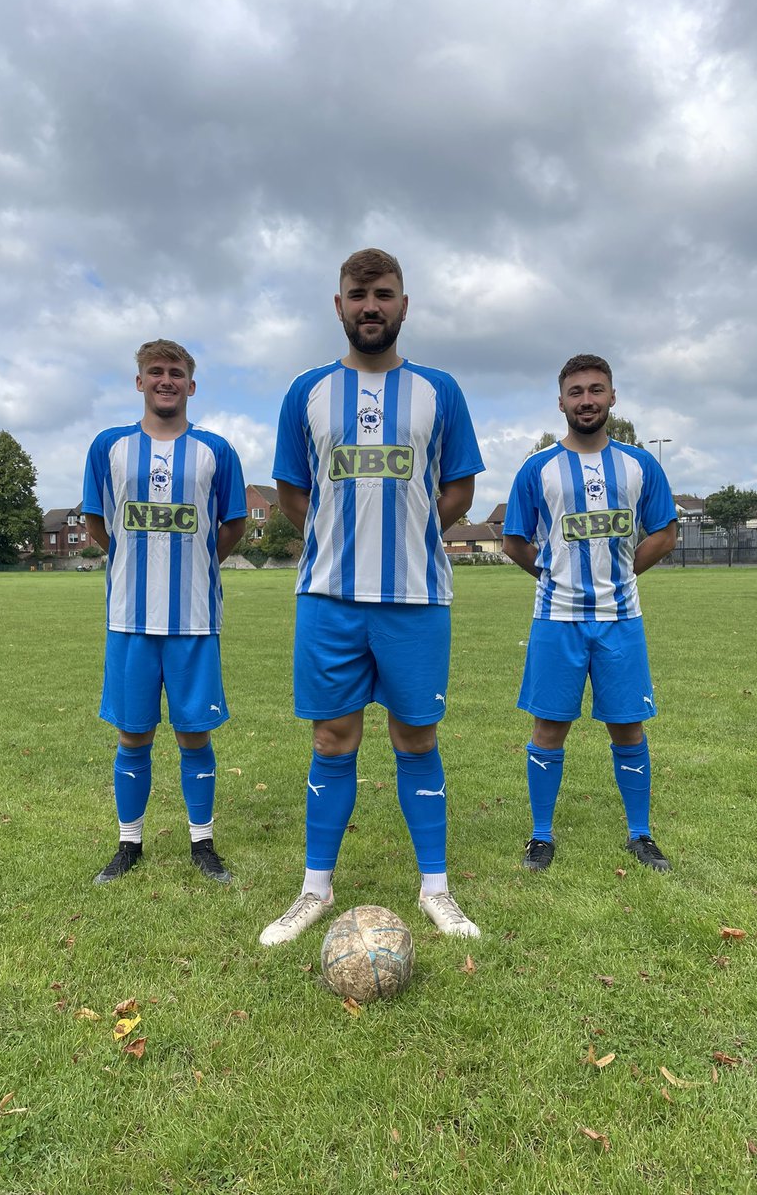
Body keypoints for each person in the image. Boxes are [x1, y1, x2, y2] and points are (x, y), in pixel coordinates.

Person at [259, 248, 485, 945]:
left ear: (403, 305)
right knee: (333, 737)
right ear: (338, 305)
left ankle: (437, 890)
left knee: (416, 735)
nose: (370, 306)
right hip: (329, 596)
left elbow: (460, 489)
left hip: (415, 598)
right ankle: (314, 890)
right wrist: (336, 536)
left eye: (383, 294)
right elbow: (294, 492)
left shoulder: (439, 390)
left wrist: (410, 531)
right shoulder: (306, 392)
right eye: (358, 295)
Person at [502, 354, 677, 872]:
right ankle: (540, 836)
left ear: (612, 397)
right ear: (561, 402)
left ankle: (640, 834)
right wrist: (556, 577)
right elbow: (514, 542)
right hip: (557, 619)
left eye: (596, 390)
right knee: (549, 726)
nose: (586, 400)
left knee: (628, 726)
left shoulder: (640, 465)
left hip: (621, 619)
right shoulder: (538, 469)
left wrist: (622, 576)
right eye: (576, 392)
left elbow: (664, 533)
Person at [83, 339, 247, 884]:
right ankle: (130, 844)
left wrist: (195, 565)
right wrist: (137, 562)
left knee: (195, 733)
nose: (165, 380)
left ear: (191, 385)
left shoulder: (216, 450)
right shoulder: (108, 447)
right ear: (139, 382)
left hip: (194, 620)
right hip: (130, 620)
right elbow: (97, 525)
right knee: (133, 734)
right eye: (155, 371)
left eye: (176, 372)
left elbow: (231, 527)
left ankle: (203, 843)